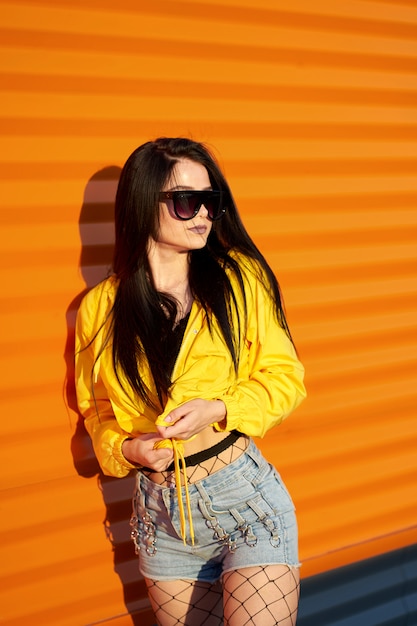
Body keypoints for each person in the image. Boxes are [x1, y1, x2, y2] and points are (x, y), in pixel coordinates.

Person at [75, 137, 306, 626]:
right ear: (143, 205)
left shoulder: (239, 279)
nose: (202, 213)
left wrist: (219, 407)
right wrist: (126, 449)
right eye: (186, 201)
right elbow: (95, 407)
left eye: (210, 200)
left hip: (243, 499)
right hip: (160, 515)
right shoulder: (101, 308)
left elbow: (286, 378)